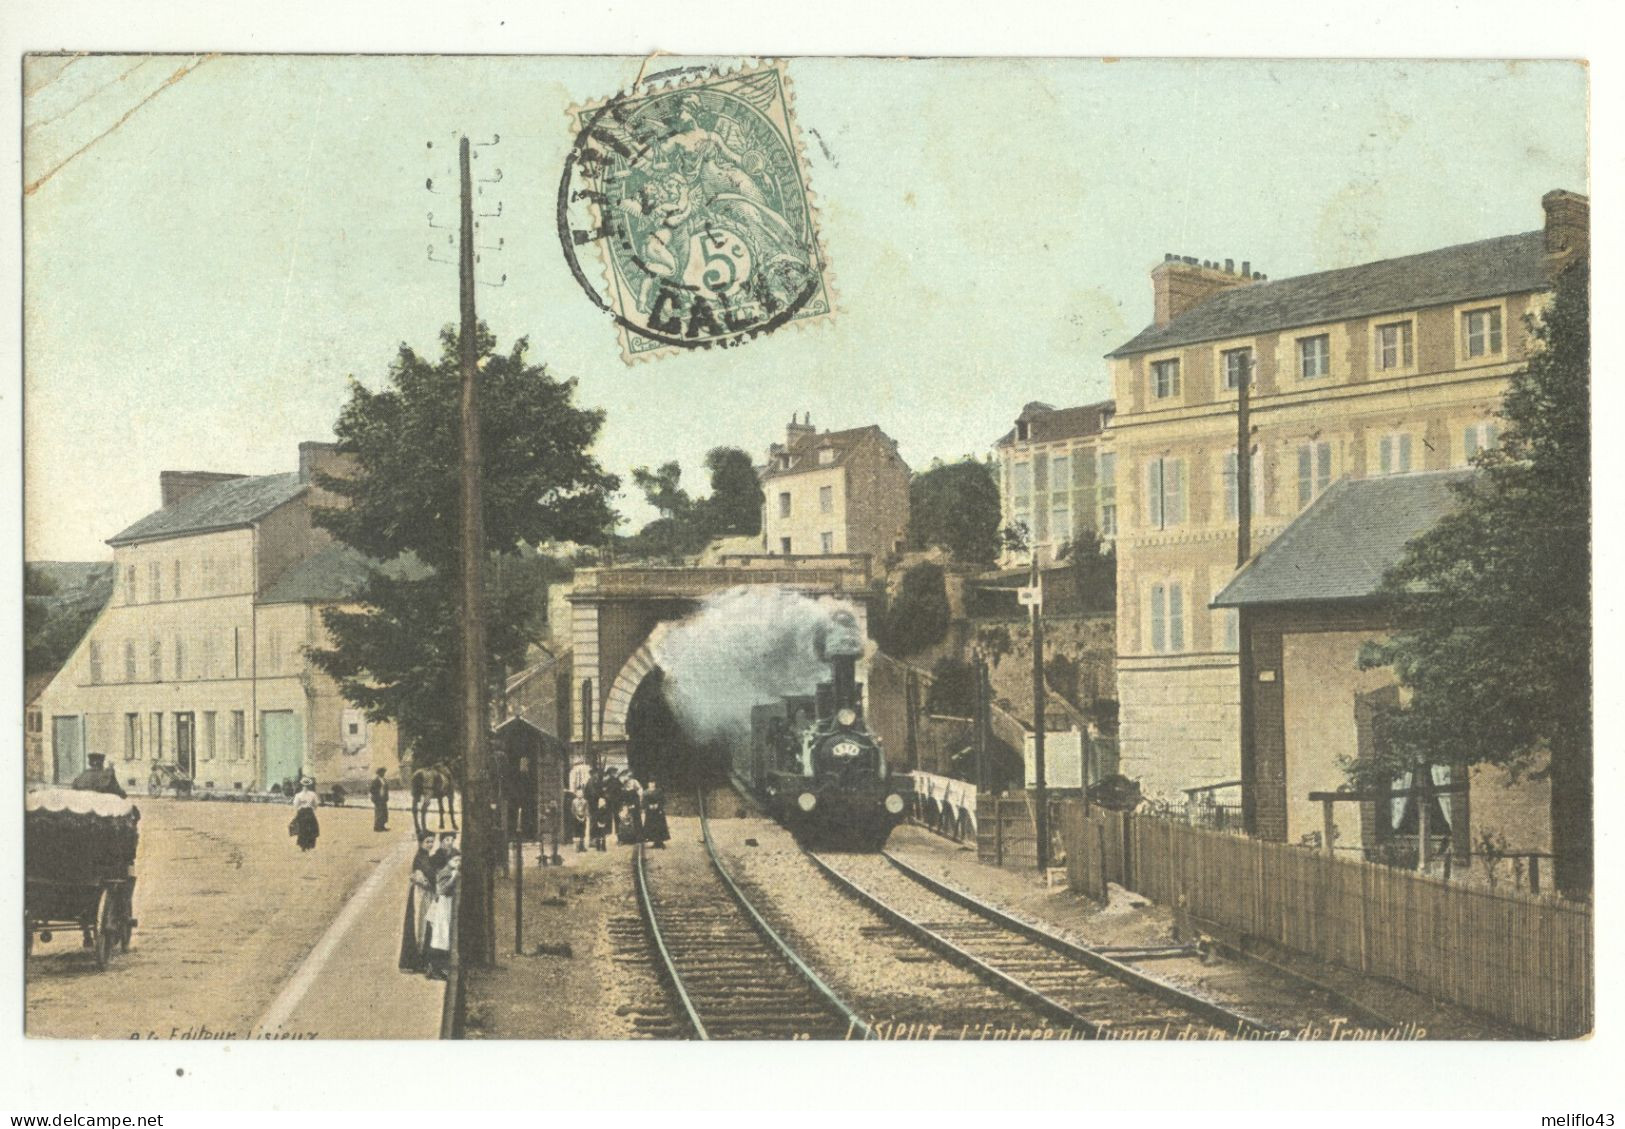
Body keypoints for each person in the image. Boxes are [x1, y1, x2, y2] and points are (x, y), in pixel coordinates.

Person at [399, 832, 440, 971]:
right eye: (428, 842)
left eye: (432, 842)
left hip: (423, 894)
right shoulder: (420, 858)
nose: (430, 844)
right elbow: (429, 874)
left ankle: (419, 961)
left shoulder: (424, 856)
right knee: (419, 926)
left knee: (422, 925)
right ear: (421, 843)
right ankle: (415, 962)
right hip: (419, 895)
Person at [423, 835, 461, 981]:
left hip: (447, 905)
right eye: (455, 860)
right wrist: (453, 878)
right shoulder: (445, 872)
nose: (457, 863)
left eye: (459, 861)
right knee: (440, 935)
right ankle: (434, 968)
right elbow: (443, 889)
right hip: (442, 906)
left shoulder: (452, 870)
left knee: (444, 936)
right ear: (449, 861)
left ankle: (438, 968)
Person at [290, 777, 320, 852]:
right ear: (309, 785)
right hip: (309, 812)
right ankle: (309, 846)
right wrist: (312, 809)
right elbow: (316, 804)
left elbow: (296, 805)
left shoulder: (298, 795)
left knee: (302, 829)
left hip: (302, 813)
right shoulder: (313, 794)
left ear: (302, 785)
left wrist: (300, 810)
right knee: (311, 829)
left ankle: (303, 846)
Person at [641, 779, 670, 849]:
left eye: (653, 782)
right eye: (650, 783)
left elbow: (663, 800)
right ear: (648, 784)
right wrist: (648, 806)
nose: (652, 784)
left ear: (655, 783)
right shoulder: (645, 792)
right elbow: (643, 802)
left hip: (658, 811)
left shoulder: (659, 791)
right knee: (651, 825)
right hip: (650, 812)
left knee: (660, 825)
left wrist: (658, 805)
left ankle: (660, 842)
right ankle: (654, 841)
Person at [369, 767, 390, 832]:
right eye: (382, 772)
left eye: (384, 772)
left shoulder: (384, 779)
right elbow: (371, 789)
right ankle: (377, 827)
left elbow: (386, 788)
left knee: (384, 812)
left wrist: (386, 796)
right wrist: (377, 795)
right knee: (379, 813)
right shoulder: (376, 780)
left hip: (383, 798)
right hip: (378, 799)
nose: (383, 773)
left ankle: (382, 826)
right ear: (379, 773)